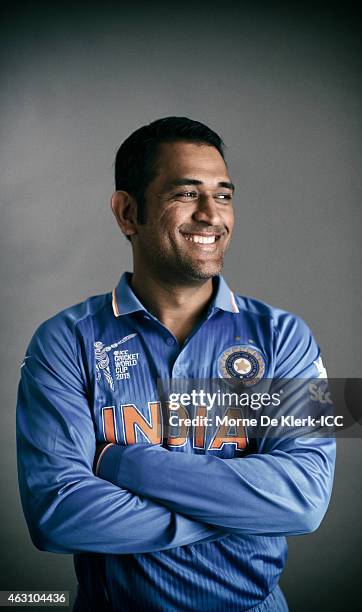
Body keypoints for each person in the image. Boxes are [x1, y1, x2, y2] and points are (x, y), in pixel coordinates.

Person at [16, 117, 336, 611]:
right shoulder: (64, 341)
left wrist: (118, 462)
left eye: (224, 195)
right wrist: (241, 509)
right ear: (127, 213)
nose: (212, 215)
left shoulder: (285, 338)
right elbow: (58, 515)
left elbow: (304, 501)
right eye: (186, 194)